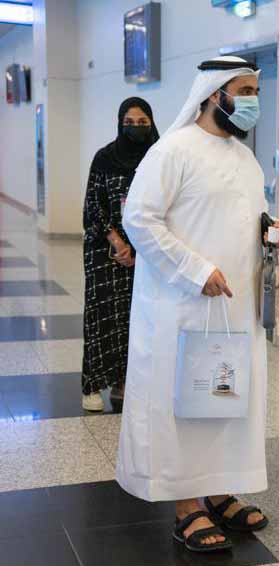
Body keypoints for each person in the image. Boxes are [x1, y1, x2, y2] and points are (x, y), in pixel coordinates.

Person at [117, 56, 279, 553]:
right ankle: (186, 505)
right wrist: (195, 271)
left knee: (223, 402)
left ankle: (219, 489)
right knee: (184, 405)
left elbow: (251, 219)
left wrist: (273, 234)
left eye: (257, 90)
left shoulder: (245, 159)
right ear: (215, 94)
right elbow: (140, 219)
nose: (253, 100)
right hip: (181, 308)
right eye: (245, 90)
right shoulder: (174, 150)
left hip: (235, 312)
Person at [81, 97, 158, 412]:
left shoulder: (158, 158)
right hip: (105, 250)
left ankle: (125, 382)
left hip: (149, 251)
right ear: (119, 122)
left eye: (143, 123)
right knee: (103, 318)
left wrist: (140, 248)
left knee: (136, 319)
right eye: (130, 122)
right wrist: (117, 242)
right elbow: (93, 207)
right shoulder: (105, 158)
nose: (136, 128)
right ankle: (92, 386)